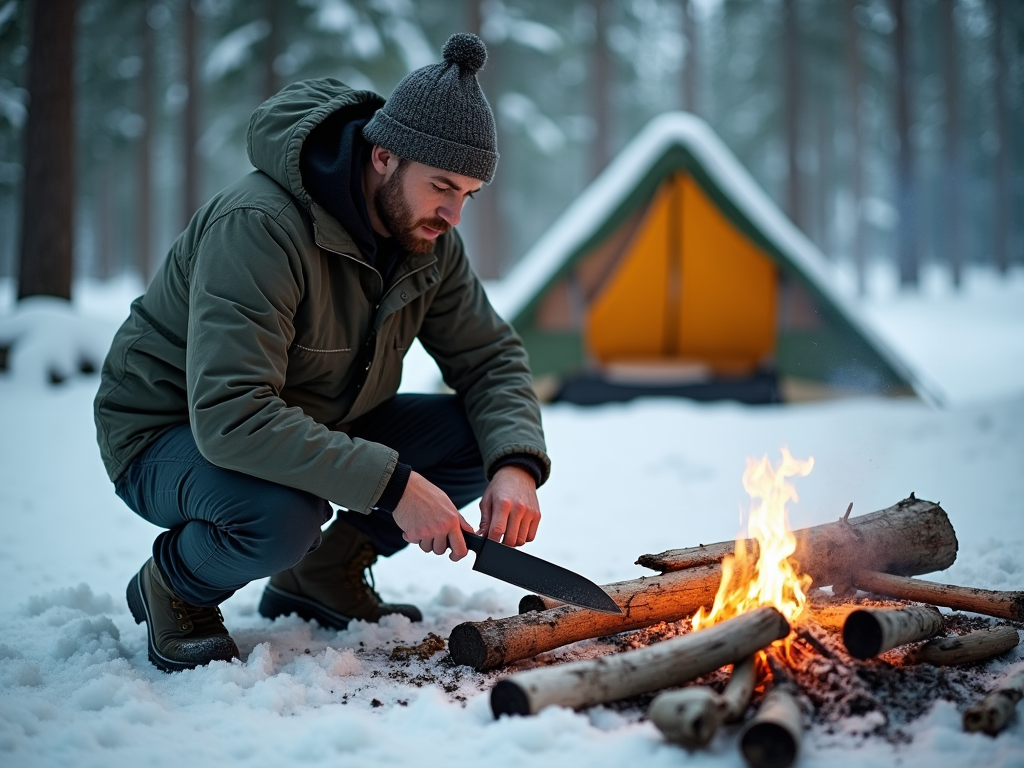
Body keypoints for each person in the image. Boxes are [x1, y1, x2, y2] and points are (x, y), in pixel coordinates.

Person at [93, 33, 549, 673]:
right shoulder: (259, 226)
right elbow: (231, 415)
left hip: (311, 419)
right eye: (441, 185)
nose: (453, 213)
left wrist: (517, 465)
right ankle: (174, 585)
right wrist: (394, 486)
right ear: (384, 156)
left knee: (479, 436)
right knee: (283, 516)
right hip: (169, 432)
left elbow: (490, 358)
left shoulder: (427, 240)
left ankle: (322, 575)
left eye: (468, 194)